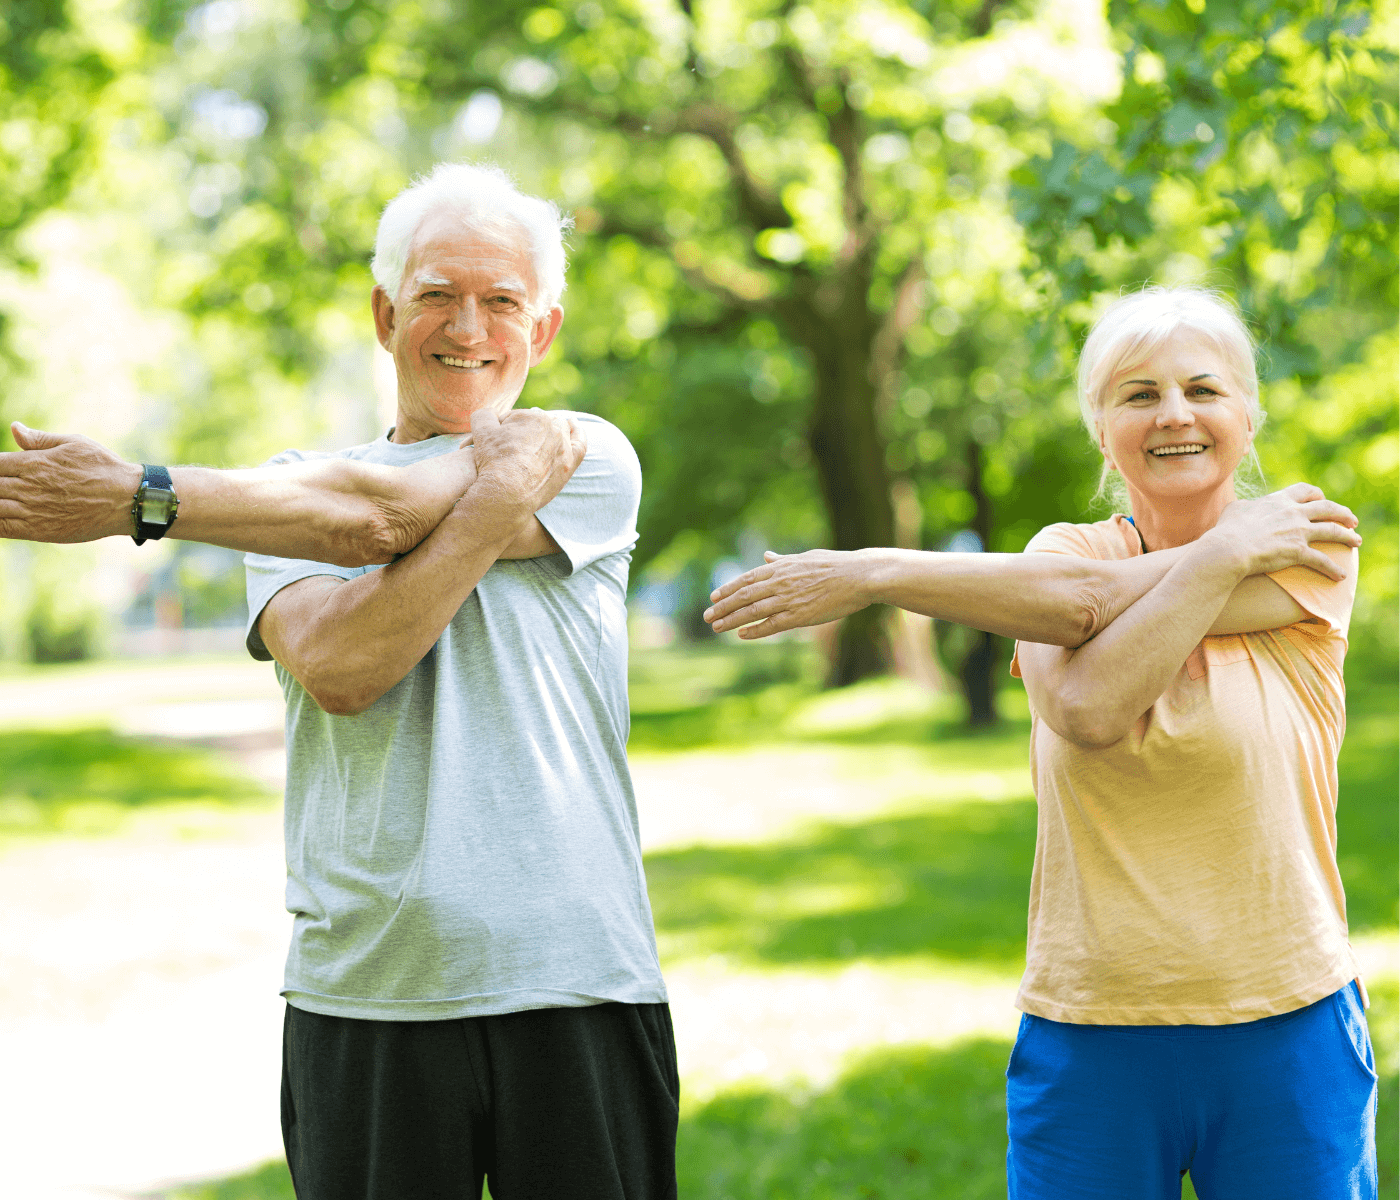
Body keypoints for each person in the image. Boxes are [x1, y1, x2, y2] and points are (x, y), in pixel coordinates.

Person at [0, 162, 678, 1200]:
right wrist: (491, 503)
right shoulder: (288, 491)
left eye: (503, 301)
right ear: (382, 311)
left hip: (578, 981)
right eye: (436, 295)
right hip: (367, 997)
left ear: (542, 331)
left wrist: (142, 497)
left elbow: (380, 520)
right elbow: (345, 663)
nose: (470, 327)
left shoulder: (587, 457)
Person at [706, 285, 1374, 1198]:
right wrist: (1221, 555)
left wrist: (884, 574)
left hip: (1285, 1021)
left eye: (1203, 389)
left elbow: (1085, 611)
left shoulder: (1307, 543)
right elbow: (1091, 705)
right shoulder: (1064, 551)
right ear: (1102, 429)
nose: (1173, 413)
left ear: (1247, 417)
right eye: (1138, 394)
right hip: (1091, 1032)